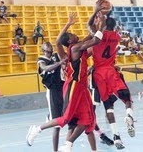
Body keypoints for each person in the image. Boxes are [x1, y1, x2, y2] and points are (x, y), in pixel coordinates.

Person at [26, 13, 106, 152]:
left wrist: (95, 16)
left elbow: (91, 35)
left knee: (87, 119)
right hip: (73, 85)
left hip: (82, 87)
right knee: (65, 119)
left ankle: (69, 145)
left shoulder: (79, 47)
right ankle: (37, 129)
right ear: (70, 41)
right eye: (72, 34)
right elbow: (95, 40)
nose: (75, 34)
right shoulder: (75, 48)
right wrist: (103, 24)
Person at [88, 5, 135, 149]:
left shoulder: (98, 36)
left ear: (103, 24)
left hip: (99, 74)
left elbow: (89, 25)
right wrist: (104, 17)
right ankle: (129, 115)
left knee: (108, 106)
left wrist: (96, 11)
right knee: (126, 98)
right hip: (111, 70)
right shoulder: (117, 36)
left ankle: (116, 137)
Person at [37, 42, 65, 152]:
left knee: (68, 116)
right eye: (46, 47)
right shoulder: (41, 60)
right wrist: (59, 64)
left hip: (61, 89)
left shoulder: (55, 57)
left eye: (50, 46)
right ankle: (55, 150)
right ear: (43, 49)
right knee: (56, 125)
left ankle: (50, 117)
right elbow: (45, 68)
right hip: (52, 90)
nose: (49, 47)